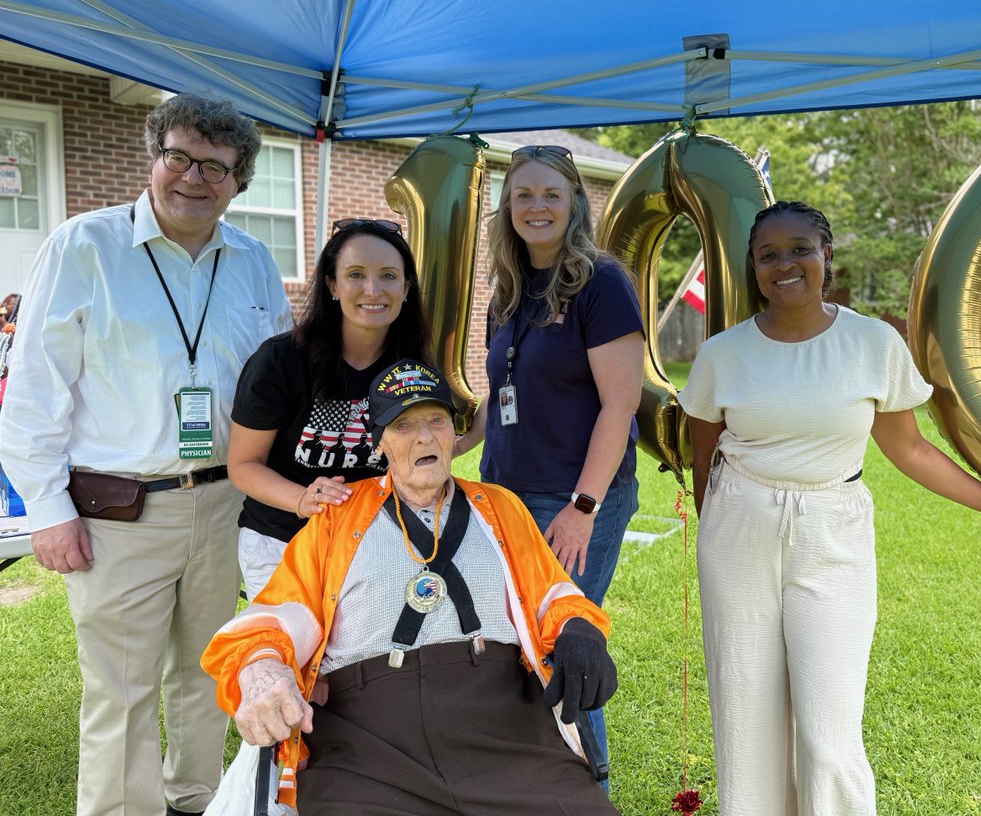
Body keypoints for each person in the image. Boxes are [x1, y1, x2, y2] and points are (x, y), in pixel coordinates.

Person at [678, 200, 981, 816]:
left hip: (833, 529)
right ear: (753, 268)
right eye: (768, 255)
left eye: (800, 249)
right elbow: (703, 455)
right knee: (745, 715)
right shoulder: (722, 354)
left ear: (827, 255)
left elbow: (908, 449)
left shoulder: (872, 343)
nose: (785, 264)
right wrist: (719, 524)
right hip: (738, 531)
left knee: (828, 727)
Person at [0, 94, 292, 816]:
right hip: (118, 510)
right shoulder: (82, 248)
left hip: (229, 502)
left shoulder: (254, 262)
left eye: (215, 167)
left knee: (208, 672)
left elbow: (280, 383)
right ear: (154, 156)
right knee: (121, 689)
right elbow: (34, 390)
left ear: (239, 179)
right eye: (179, 157)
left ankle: (191, 800)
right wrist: (47, 508)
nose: (194, 178)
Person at [202, 359, 619, 814]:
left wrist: (579, 630)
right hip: (366, 739)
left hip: (505, 727)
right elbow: (282, 613)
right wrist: (262, 667)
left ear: (452, 432)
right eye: (403, 425)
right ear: (379, 442)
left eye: (436, 419)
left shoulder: (499, 508)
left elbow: (551, 595)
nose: (424, 437)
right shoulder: (338, 518)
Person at [455, 144, 643, 781]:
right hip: (503, 496)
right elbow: (501, 400)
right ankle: (531, 781)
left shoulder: (601, 283)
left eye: (551, 195)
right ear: (506, 208)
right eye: (524, 195)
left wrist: (583, 508)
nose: (536, 207)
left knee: (567, 644)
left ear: (574, 205)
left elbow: (619, 406)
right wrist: (441, 449)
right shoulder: (507, 292)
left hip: (575, 497)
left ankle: (591, 786)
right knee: (514, 647)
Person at [228, 218, 432, 600]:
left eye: (388, 276)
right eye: (356, 274)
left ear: (406, 289)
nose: (373, 289)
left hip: (376, 541)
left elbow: (425, 451)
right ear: (332, 285)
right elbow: (243, 465)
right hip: (282, 543)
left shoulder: (413, 369)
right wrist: (301, 499)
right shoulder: (281, 360)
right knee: (290, 657)